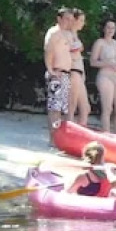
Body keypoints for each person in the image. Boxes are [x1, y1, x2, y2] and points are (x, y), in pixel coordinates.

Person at [90, 19, 116, 135]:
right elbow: (93, 62)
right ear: (104, 29)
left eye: (113, 28)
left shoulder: (115, 43)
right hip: (105, 75)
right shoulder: (99, 42)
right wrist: (108, 64)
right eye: (108, 27)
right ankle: (106, 133)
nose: (110, 30)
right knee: (108, 108)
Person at [43, 8, 74, 140]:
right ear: (59, 19)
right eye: (66, 18)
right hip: (57, 72)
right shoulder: (54, 33)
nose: (69, 22)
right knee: (54, 107)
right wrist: (50, 70)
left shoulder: (67, 34)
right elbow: (48, 51)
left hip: (66, 73)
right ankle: (53, 137)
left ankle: (59, 137)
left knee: (62, 108)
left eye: (71, 19)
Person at [65, 9, 91, 128]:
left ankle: (80, 133)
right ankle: (68, 132)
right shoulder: (68, 34)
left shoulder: (75, 35)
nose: (83, 23)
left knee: (85, 108)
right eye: (80, 20)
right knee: (72, 105)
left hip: (79, 71)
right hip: (73, 70)